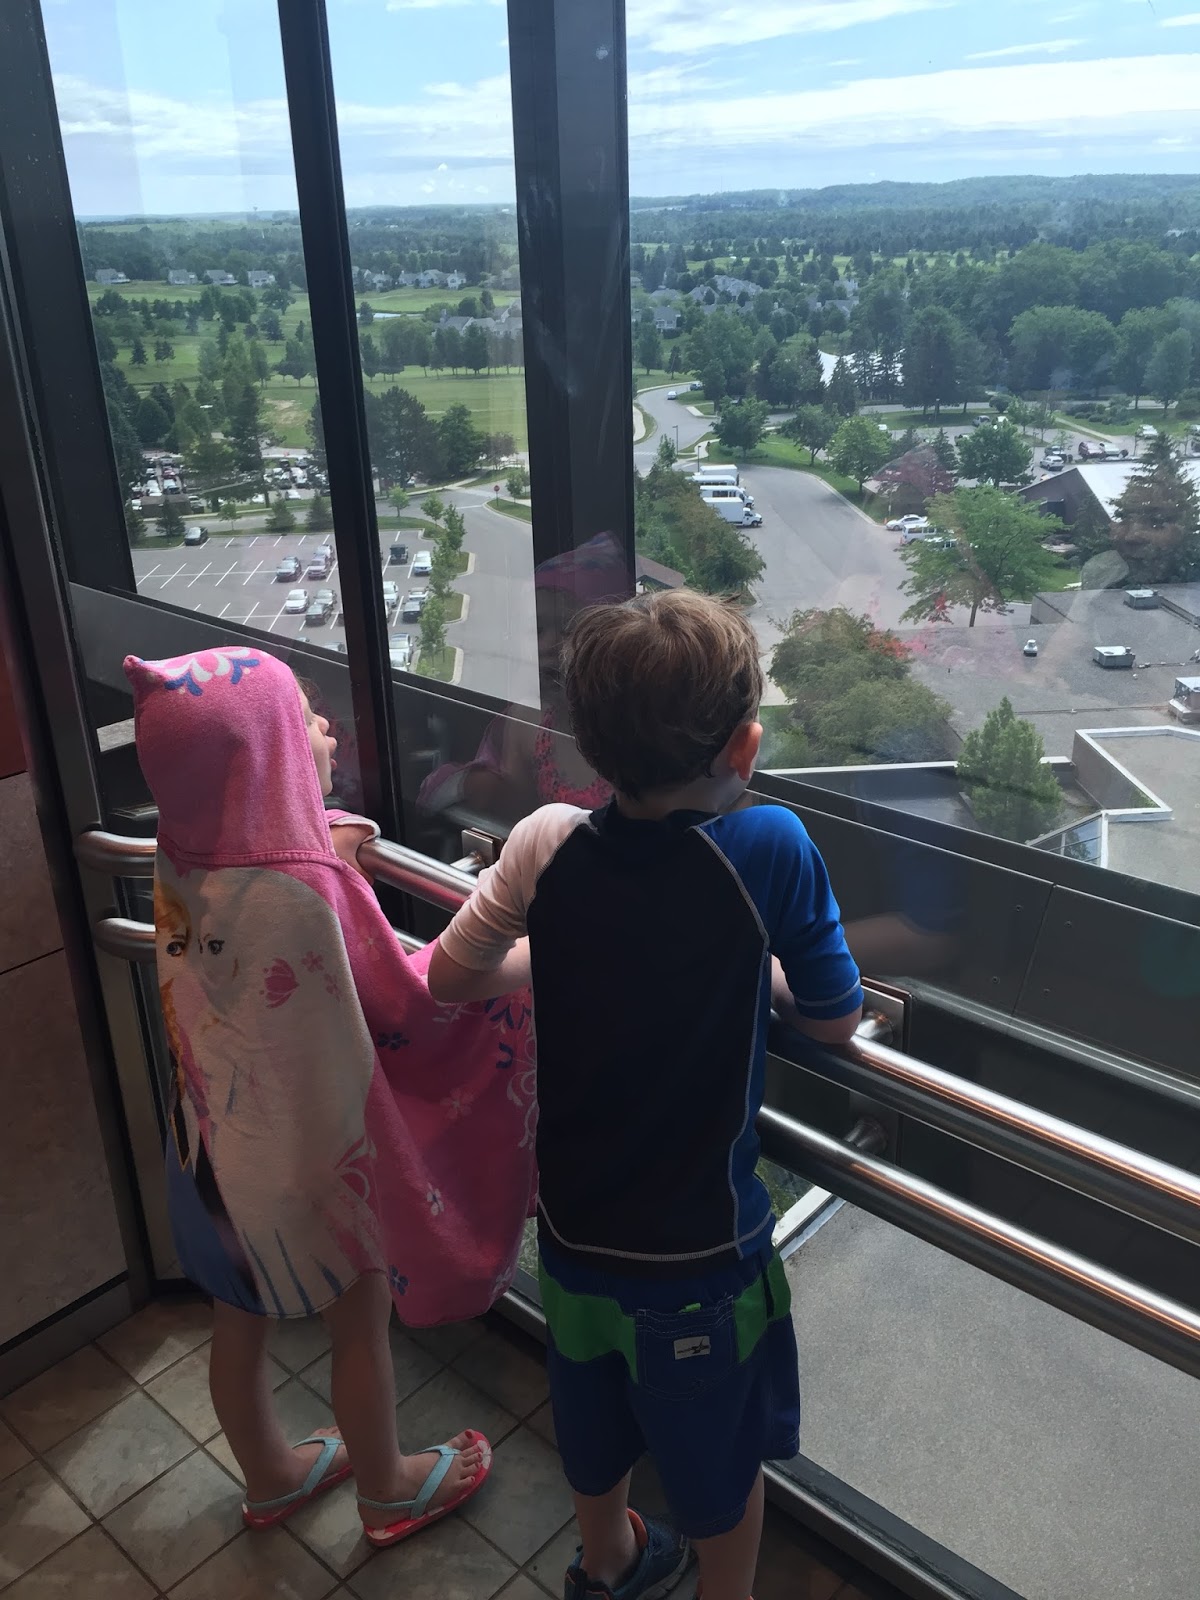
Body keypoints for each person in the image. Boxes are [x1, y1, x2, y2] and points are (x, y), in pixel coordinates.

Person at [427, 591, 864, 1600]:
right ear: (744, 745)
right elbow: (834, 1018)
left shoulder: (546, 840)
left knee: (590, 1419)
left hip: (573, 1235)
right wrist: (758, 974)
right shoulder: (773, 847)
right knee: (720, 1461)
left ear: (590, 745)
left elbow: (451, 974)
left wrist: (563, 957)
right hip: (701, 1256)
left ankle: (609, 1562)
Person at [124, 644, 537, 1548]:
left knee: (238, 1320)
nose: (325, 726)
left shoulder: (186, 849)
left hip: (213, 1148)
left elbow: (266, 858)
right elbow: (406, 997)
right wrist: (524, 966)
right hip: (310, 1164)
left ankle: (271, 1474)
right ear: (264, 755)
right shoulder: (307, 888)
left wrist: (323, 838)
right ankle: (388, 1489)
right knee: (360, 1321)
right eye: (302, 718)